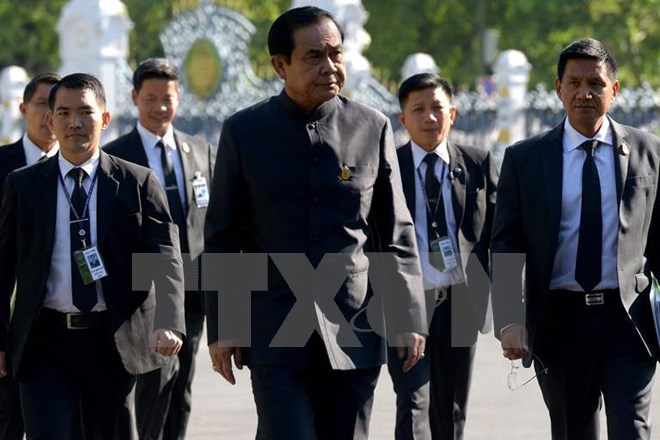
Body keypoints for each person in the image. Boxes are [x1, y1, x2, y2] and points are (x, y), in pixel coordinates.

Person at [204, 6, 427, 440]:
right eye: (313, 57)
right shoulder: (244, 132)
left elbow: (395, 232)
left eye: (336, 54)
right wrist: (226, 325)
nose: (330, 67)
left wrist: (408, 315)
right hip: (275, 328)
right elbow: (224, 236)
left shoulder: (372, 126)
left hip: (354, 323)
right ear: (280, 65)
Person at [0, 73, 185, 440]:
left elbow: (166, 255)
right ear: (50, 120)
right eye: (64, 112)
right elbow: (3, 267)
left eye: (85, 112)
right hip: (44, 343)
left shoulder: (137, 181)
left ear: (104, 118)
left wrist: (169, 319)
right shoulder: (24, 185)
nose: (75, 123)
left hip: (112, 342)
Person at [492, 38, 660, 440]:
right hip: (560, 320)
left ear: (614, 90)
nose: (585, 92)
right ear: (558, 88)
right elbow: (506, 243)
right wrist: (511, 320)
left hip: (628, 319)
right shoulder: (525, 159)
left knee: (632, 430)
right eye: (575, 83)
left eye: (596, 84)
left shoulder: (648, 152)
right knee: (573, 431)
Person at [104, 57, 213, 440]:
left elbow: (210, 220)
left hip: (195, 287)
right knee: (151, 385)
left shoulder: (199, 150)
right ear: (135, 98)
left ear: (178, 97)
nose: (160, 107)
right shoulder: (115, 156)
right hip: (143, 290)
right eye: (150, 98)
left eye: (167, 98)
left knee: (182, 385)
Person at [389, 73, 497, 440]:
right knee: (413, 403)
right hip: (407, 302)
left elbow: (501, 234)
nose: (429, 117)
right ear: (402, 120)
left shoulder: (478, 163)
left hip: (460, 301)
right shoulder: (388, 168)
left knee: (451, 411)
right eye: (417, 110)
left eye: (437, 108)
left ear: (453, 112)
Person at [0, 71, 60, 440]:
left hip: (63, 328)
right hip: (9, 327)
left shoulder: (86, 171)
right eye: (43, 104)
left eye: (60, 107)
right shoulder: (4, 166)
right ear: (23, 108)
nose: (51, 115)